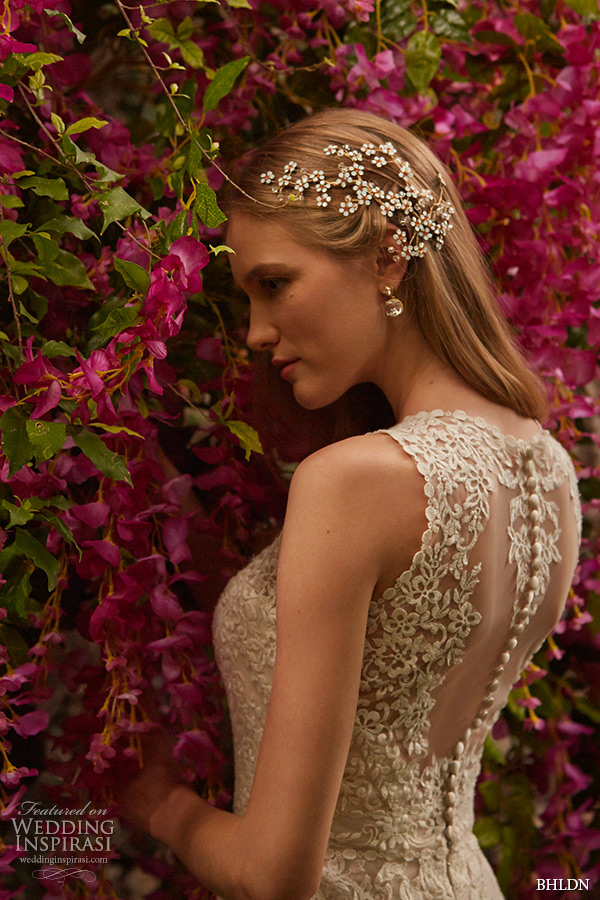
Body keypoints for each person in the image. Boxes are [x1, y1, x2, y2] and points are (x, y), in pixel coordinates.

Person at [120, 108, 581, 900]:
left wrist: (161, 806)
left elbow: (277, 877)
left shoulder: (352, 480)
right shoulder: (548, 466)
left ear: (387, 257)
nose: (257, 334)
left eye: (274, 284)